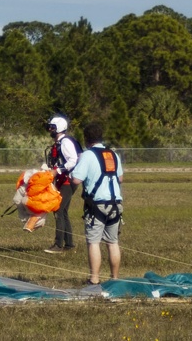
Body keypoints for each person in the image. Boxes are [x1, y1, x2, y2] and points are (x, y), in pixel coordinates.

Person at [70, 122, 124, 285]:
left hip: (97, 205)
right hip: (116, 203)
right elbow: (120, 178)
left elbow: (76, 179)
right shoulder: (113, 155)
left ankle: (94, 279)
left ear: (86, 139)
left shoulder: (87, 155)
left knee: (94, 242)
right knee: (112, 242)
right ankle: (115, 279)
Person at [44, 115, 82, 254]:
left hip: (67, 180)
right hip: (64, 180)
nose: (50, 130)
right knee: (63, 211)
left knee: (58, 210)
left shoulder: (65, 142)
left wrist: (57, 170)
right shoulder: (60, 142)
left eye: (52, 127)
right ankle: (69, 244)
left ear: (59, 128)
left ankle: (58, 245)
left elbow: (72, 160)